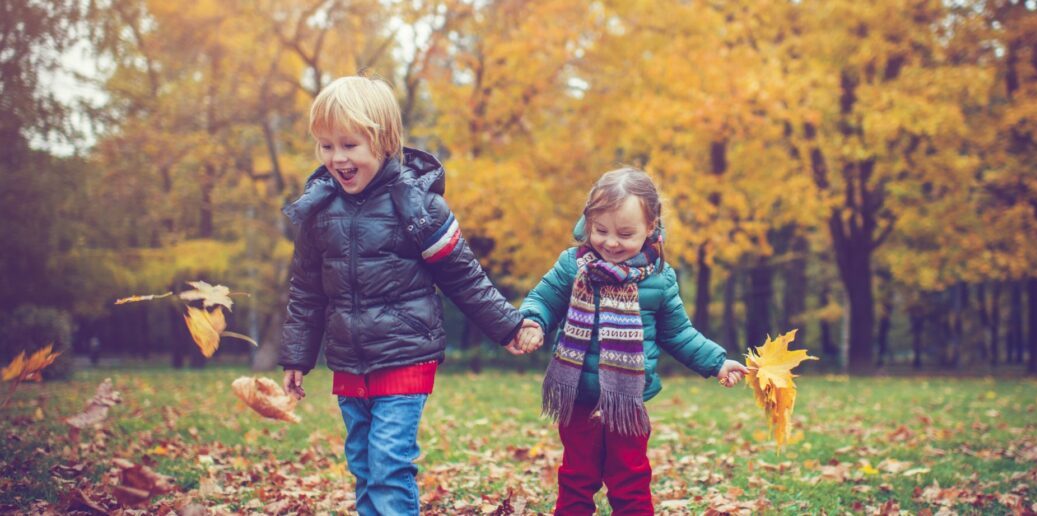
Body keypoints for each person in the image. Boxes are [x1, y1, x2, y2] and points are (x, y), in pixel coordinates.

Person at [278, 75, 541, 515]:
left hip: (404, 355)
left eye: (349, 145)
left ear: (382, 142)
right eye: (326, 147)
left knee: (387, 463)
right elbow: (307, 291)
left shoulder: (418, 205)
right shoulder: (317, 210)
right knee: (362, 463)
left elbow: (463, 276)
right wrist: (296, 357)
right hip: (349, 359)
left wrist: (509, 326)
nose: (336, 158)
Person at [518, 167, 751, 515]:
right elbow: (545, 299)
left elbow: (678, 332)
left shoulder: (659, 279)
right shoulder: (573, 266)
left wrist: (716, 361)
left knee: (631, 480)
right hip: (578, 397)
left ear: (650, 228)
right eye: (601, 230)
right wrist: (533, 322)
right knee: (575, 479)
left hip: (628, 404)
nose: (611, 242)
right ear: (588, 223)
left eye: (625, 234)